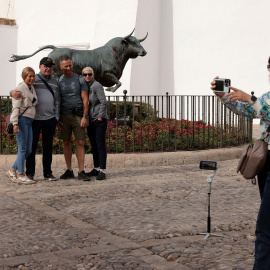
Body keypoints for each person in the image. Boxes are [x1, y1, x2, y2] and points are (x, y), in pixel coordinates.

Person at [211, 67, 270, 270]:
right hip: (265, 163)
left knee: (265, 227)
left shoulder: (262, 100)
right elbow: (248, 110)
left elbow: (257, 107)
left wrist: (251, 99)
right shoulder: (268, 97)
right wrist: (225, 98)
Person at [11, 57, 60, 181]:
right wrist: (11, 92)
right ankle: (30, 173)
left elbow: (58, 100)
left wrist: (56, 116)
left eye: (50, 66)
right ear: (40, 67)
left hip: (50, 119)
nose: (48, 68)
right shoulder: (33, 78)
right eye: (45, 66)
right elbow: (19, 90)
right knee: (31, 147)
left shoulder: (55, 81)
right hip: (35, 119)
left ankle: (47, 173)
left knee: (48, 147)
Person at [58, 56, 90, 180]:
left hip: (78, 115)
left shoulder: (80, 79)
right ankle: (69, 170)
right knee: (66, 142)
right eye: (66, 66)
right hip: (64, 116)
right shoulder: (59, 81)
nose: (69, 67)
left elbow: (85, 99)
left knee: (80, 142)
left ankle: (81, 171)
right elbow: (57, 100)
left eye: (70, 65)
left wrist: (84, 116)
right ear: (61, 67)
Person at [6, 67, 38, 184]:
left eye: (33, 76)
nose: (32, 78)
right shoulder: (20, 88)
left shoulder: (31, 88)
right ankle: (21, 174)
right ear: (24, 77)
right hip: (22, 121)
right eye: (29, 76)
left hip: (30, 121)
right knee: (23, 148)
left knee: (28, 149)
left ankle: (12, 170)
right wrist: (15, 123)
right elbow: (16, 107)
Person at [82, 67, 108, 180]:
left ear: (93, 75)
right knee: (94, 145)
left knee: (100, 145)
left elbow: (103, 101)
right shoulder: (86, 86)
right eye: (85, 74)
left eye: (89, 74)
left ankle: (102, 170)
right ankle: (96, 168)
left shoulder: (96, 85)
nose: (87, 76)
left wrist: (100, 116)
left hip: (98, 120)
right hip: (91, 120)